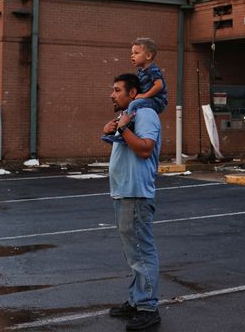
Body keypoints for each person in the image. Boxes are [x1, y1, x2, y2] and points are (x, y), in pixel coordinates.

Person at [103, 73, 162, 330]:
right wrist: (112, 130)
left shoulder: (146, 114)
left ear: (133, 92)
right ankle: (137, 301)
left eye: (117, 90)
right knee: (133, 254)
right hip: (124, 193)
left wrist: (124, 128)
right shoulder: (128, 115)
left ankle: (148, 308)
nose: (112, 95)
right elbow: (125, 144)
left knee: (141, 252)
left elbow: (146, 147)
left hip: (135, 194)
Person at [103, 37, 168, 144]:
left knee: (133, 105)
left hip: (157, 100)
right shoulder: (141, 71)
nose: (132, 55)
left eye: (136, 53)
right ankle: (120, 133)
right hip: (147, 100)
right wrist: (108, 132)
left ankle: (124, 131)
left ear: (148, 55)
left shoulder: (152, 69)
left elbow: (159, 85)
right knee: (132, 107)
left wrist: (144, 95)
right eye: (132, 53)